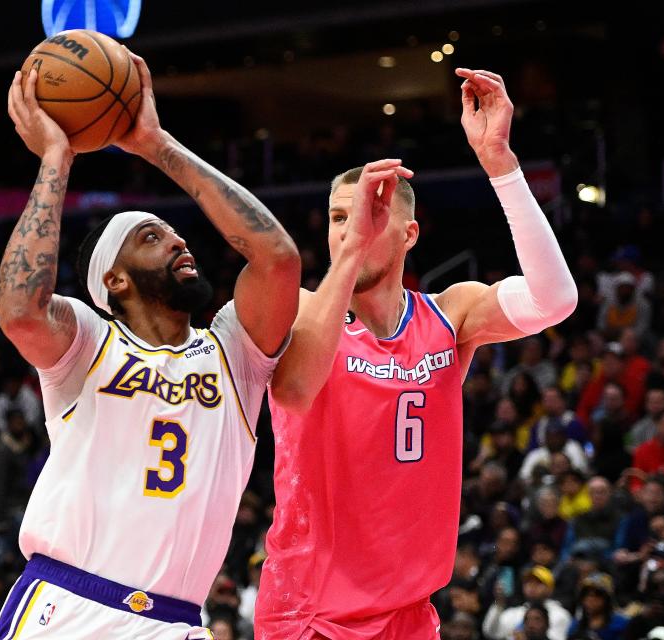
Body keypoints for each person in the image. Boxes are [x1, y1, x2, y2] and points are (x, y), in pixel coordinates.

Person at [255, 66, 577, 639]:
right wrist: (354, 249)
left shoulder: (450, 315)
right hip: (311, 612)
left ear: (408, 235)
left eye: (370, 213)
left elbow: (556, 299)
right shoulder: (299, 309)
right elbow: (296, 372)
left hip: (410, 611)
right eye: (338, 217)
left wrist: (500, 164)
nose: (349, 228)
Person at [0, 52, 299, 639]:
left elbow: (277, 259)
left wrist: (157, 146)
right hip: (70, 606)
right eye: (153, 237)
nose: (181, 241)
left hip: (178, 621)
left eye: (177, 233)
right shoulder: (87, 341)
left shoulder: (234, 351)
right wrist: (58, 158)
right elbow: (19, 311)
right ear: (115, 278)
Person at [483, 566, 572, 640]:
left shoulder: (560, 614)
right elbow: (491, 633)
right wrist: (498, 604)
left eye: (538, 583)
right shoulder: (513, 613)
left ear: (550, 589)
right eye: (528, 583)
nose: (532, 587)